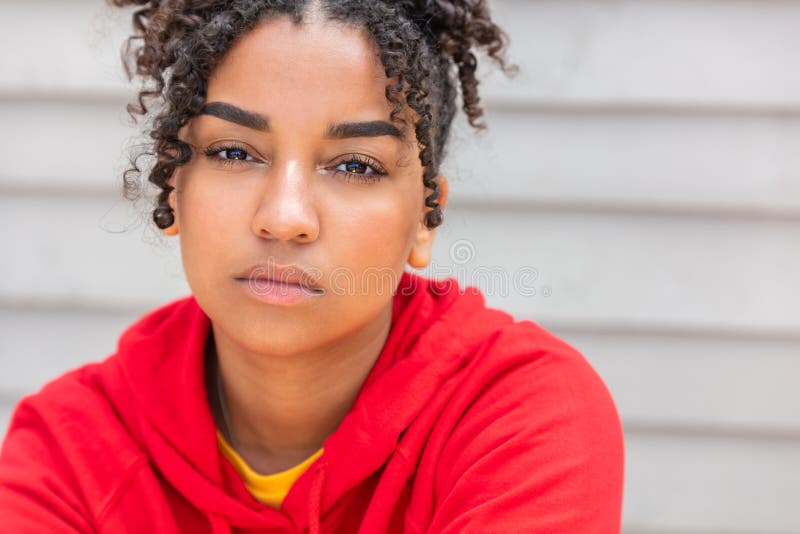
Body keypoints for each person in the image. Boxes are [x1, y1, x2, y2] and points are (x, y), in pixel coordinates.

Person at [0, 1, 624, 532]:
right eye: (234, 151)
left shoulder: (522, 421)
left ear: (426, 218)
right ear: (173, 185)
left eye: (355, 165)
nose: (285, 216)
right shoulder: (65, 457)